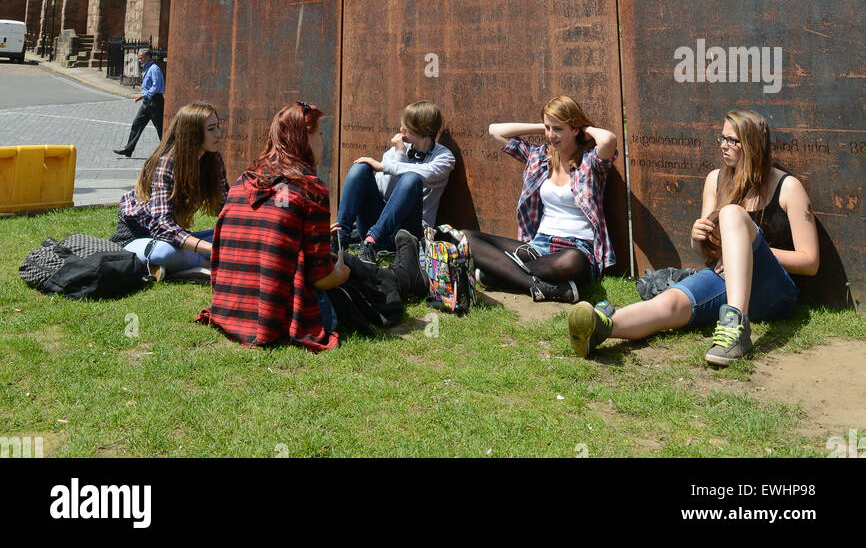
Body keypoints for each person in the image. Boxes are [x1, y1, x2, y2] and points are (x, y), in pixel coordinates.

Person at [568, 109, 820, 366]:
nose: (723, 145)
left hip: (773, 290)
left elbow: (810, 262)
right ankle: (602, 328)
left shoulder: (788, 187)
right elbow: (704, 254)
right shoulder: (715, 180)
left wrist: (743, 251)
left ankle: (736, 328)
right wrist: (697, 239)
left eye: (732, 140)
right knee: (670, 302)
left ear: (753, 144)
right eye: (721, 138)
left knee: (732, 213)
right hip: (724, 279)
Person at [197, 102, 426, 349]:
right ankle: (405, 275)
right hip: (282, 316)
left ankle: (403, 274)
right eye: (320, 134)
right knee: (348, 267)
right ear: (303, 139)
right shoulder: (308, 189)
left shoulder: (243, 181)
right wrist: (340, 273)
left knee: (338, 258)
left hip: (231, 308)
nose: (323, 141)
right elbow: (322, 279)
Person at [466, 95, 617, 303]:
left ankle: (500, 274)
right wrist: (543, 126)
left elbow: (608, 139)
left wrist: (584, 128)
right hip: (539, 245)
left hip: (577, 248)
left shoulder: (590, 162)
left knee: (570, 262)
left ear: (575, 129)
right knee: (466, 237)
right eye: (548, 128)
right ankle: (539, 286)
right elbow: (495, 130)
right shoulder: (538, 157)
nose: (551, 135)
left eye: (558, 129)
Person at [111, 102, 228, 279]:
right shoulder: (166, 163)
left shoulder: (213, 159)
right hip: (139, 238)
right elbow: (163, 228)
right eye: (211, 129)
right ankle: (205, 264)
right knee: (164, 252)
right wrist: (212, 249)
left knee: (234, 237)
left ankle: (187, 264)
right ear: (192, 133)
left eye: (218, 127)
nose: (219, 134)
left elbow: (226, 207)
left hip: (177, 239)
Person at [336, 99, 455, 262]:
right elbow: (385, 192)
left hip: (407, 234)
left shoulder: (445, 158)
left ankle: (371, 242)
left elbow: (425, 173)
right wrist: (400, 154)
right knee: (361, 168)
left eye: (406, 126)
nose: (401, 130)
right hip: (379, 224)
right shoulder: (395, 153)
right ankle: (339, 239)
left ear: (421, 129)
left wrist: (386, 167)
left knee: (411, 179)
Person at [113, 48, 165, 157]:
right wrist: (143, 96)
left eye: (141, 58)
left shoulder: (154, 69)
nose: (139, 60)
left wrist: (143, 95)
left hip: (155, 102)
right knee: (137, 124)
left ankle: (168, 150)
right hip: (147, 102)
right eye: (139, 58)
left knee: (160, 127)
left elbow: (156, 86)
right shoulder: (147, 68)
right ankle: (128, 149)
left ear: (148, 57)